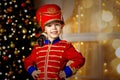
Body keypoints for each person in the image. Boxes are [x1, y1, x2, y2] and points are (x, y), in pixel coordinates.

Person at [24, 4, 85, 80]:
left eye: (57, 24)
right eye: (49, 26)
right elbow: (27, 61)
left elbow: (80, 59)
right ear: (44, 29)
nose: (54, 28)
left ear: (61, 26)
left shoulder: (65, 46)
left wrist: (67, 71)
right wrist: (32, 71)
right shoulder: (38, 46)